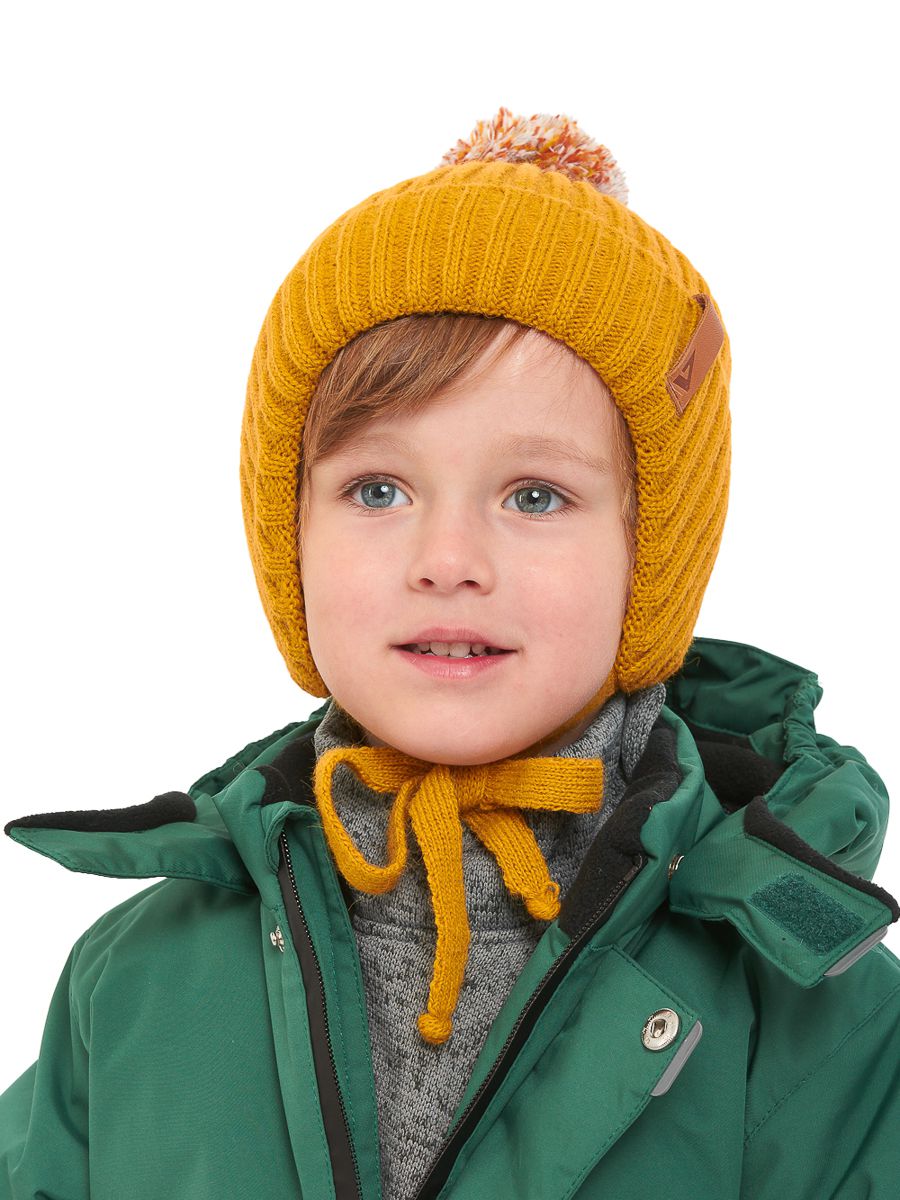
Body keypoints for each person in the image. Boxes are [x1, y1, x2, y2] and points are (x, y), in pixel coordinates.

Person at [1, 107, 898, 1199]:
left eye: (536, 495)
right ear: (291, 540)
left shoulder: (813, 1012)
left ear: (650, 558)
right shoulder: (132, 981)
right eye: (378, 490)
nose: (449, 560)